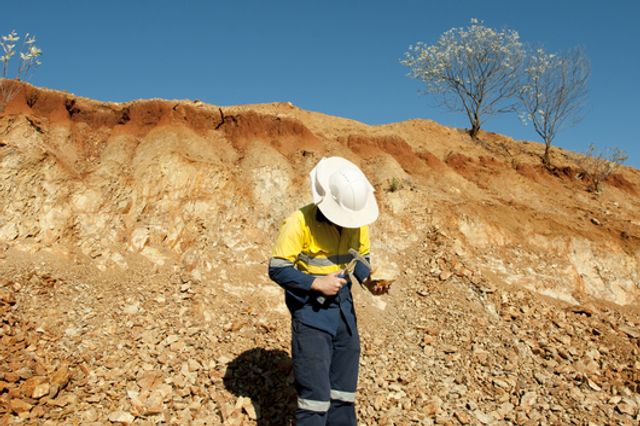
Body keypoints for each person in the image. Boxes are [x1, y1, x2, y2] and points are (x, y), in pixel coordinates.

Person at [268, 156, 380, 425]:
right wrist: (316, 283)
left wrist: (369, 281)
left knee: (344, 396)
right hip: (311, 315)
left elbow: (360, 259)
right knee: (315, 401)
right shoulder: (299, 222)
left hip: (344, 314)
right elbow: (277, 268)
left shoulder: (357, 221)